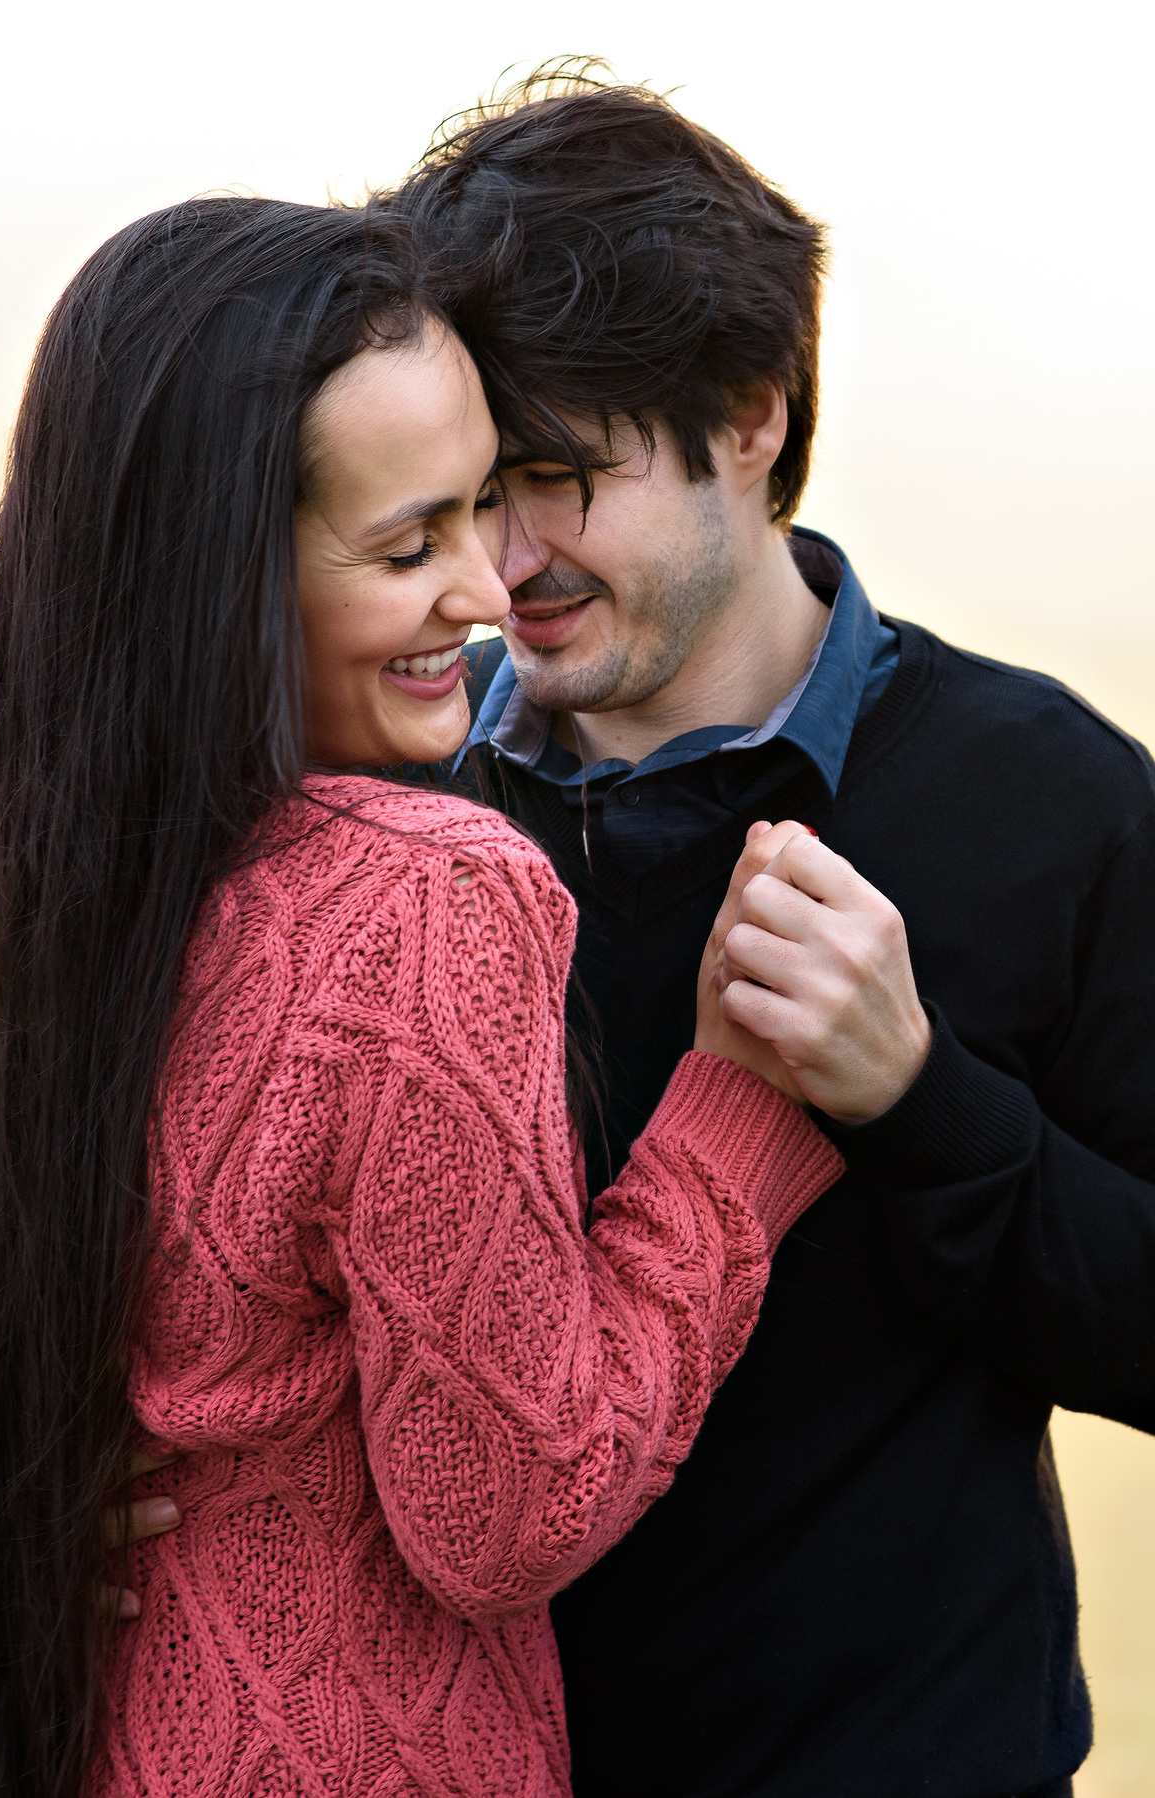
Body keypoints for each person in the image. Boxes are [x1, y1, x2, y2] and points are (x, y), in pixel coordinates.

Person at [0, 196, 843, 1798]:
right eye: (406, 544)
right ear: (220, 573)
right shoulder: (430, 890)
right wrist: (738, 1123)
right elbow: (511, 1504)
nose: (493, 589)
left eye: (488, 507)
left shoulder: (46, 897)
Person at [379, 68, 1154, 1798]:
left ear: (751, 413)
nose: (501, 566)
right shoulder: (380, 790)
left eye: (556, 479)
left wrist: (922, 1099)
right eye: (457, 494)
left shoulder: (1049, 796)